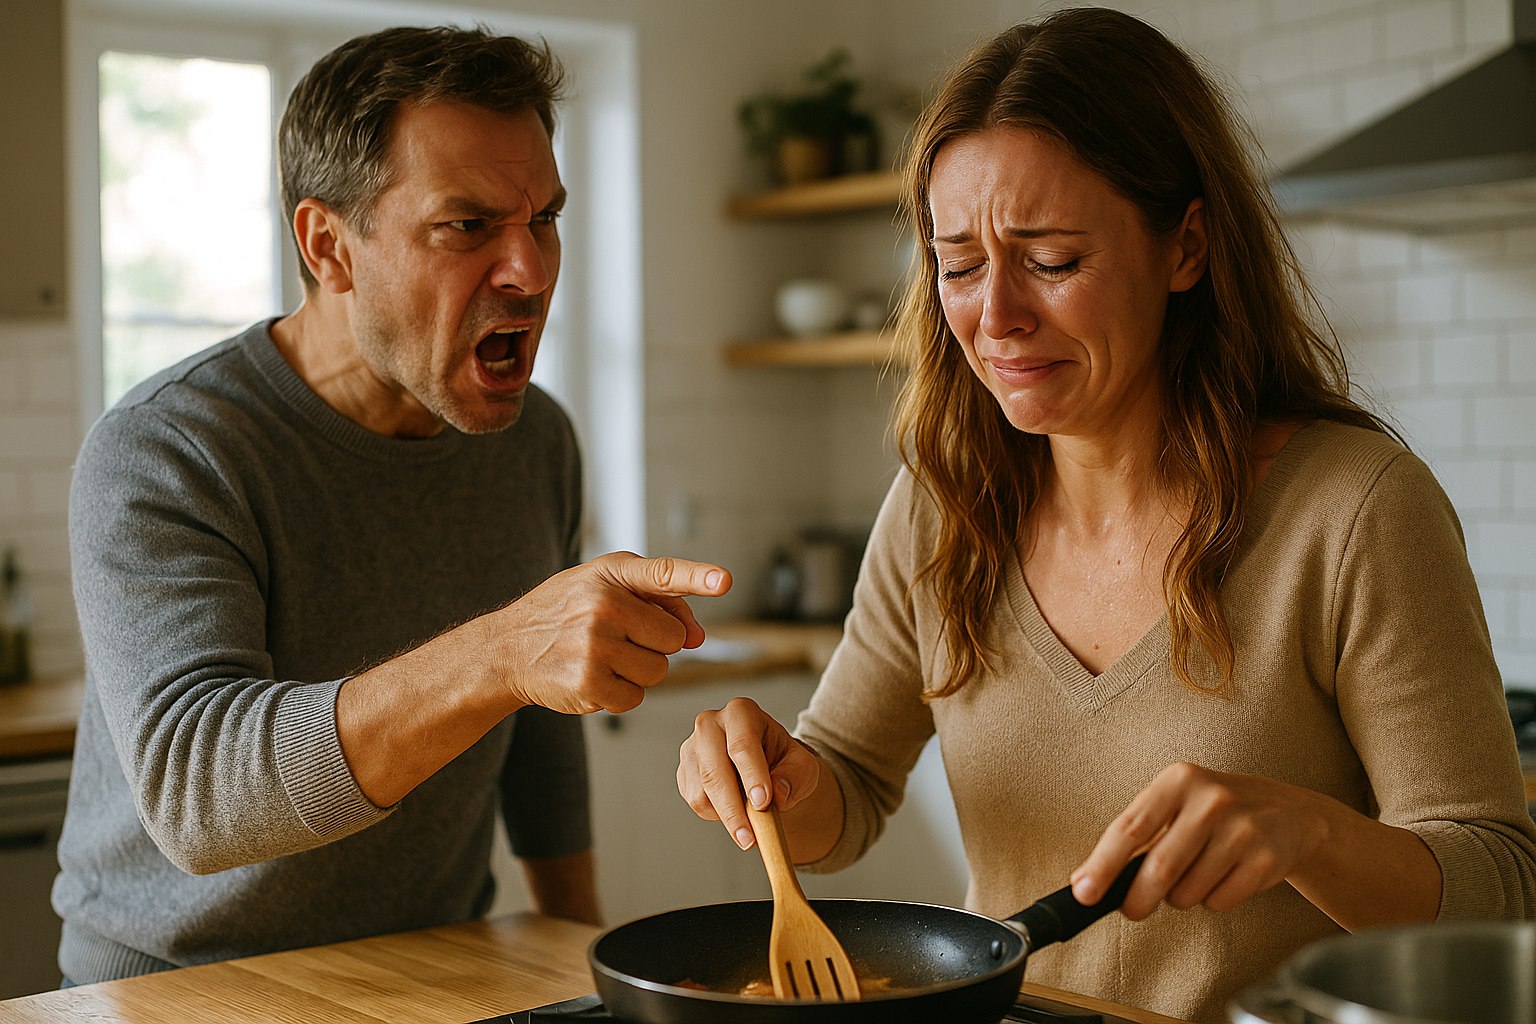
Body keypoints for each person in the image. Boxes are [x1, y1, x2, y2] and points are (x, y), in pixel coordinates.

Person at [676, 9, 1536, 1022]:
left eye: (1051, 260)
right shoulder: (942, 505)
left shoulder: (1354, 511)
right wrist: (775, 777)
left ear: (1188, 245)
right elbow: (850, 784)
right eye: (958, 265)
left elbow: (1502, 883)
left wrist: (1312, 836)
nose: (994, 318)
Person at [56, 25, 730, 986]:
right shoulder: (169, 449)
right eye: (468, 227)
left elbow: (539, 738)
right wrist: (504, 648)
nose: (531, 272)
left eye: (544, 219)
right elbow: (198, 795)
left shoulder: (535, 439)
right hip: (175, 985)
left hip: (432, 963)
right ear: (328, 247)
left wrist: (587, 961)